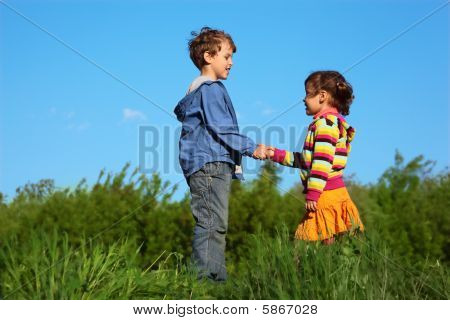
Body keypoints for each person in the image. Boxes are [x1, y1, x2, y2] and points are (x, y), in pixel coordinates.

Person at [174, 27, 268, 281]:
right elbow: (222, 128)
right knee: (211, 223)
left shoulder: (199, 90)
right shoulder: (210, 89)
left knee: (215, 223)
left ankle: (217, 280)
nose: (231, 62)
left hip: (208, 164)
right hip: (211, 164)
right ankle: (206, 284)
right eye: (226, 56)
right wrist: (251, 147)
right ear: (208, 57)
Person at [267, 71, 364, 244]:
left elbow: (322, 161)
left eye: (307, 94)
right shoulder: (330, 123)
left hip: (325, 194)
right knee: (327, 247)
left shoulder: (325, 125)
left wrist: (313, 193)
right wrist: (274, 154)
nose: (303, 99)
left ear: (322, 96)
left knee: (305, 247)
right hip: (330, 192)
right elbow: (308, 160)